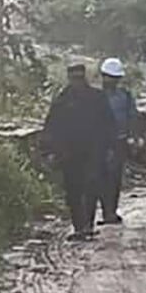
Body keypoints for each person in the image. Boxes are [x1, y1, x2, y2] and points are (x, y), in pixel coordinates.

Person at [40, 63, 114, 240]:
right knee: (73, 190)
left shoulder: (97, 98)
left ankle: (87, 225)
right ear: (69, 78)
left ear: (85, 78)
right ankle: (79, 226)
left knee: (91, 188)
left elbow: (109, 123)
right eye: (74, 79)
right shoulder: (62, 100)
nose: (77, 83)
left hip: (93, 151)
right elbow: (51, 126)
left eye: (80, 78)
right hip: (69, 153)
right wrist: (49, 151)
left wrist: (110, 148)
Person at [97, 57, 137, 226]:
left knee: (114, 178)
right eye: (107, 77)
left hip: (119, 142)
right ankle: (105, 211)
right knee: (100, 178)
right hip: (99, 143)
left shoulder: (125, 97)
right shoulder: (95, 97)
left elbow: (133, 117)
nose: (110, 81)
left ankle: (110, 211)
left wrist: (134, 137)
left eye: (113, 78)